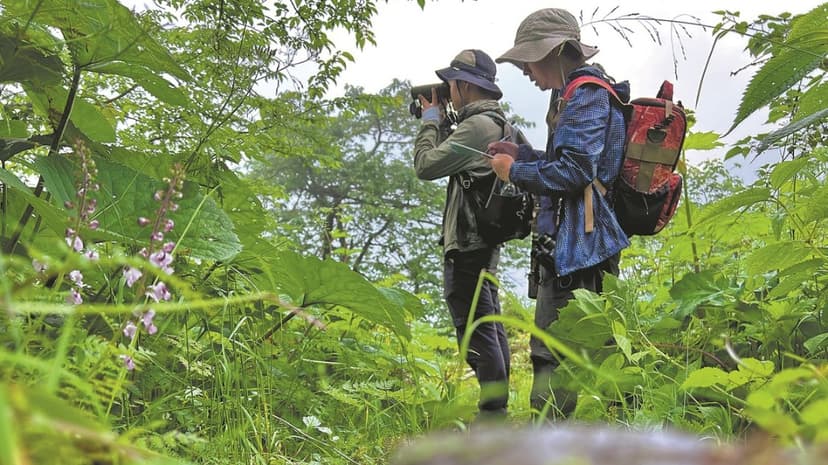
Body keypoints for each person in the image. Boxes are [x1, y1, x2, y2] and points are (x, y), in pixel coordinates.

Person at [487, 8, 630, 419]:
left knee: (553, 354)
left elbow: (575, 172)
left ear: (555, 52)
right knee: (585, 353)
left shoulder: (586, 93)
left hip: (581, 249)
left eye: (528, 60)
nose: (526, 71)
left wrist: (514, 171)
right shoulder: (571, 93)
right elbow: (565, 163)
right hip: (574, 246)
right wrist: (524, 155)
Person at [412, 49, 512, 420]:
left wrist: (429, 120)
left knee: (474, 323)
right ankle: (496, 407)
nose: (447, 91)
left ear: (466, 86)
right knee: (488, 319)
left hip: (468, 240)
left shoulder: (478, 127)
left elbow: (426, 165)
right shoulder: (494, 122)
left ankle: (492, 414)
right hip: (483, 240)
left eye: (451, 84)